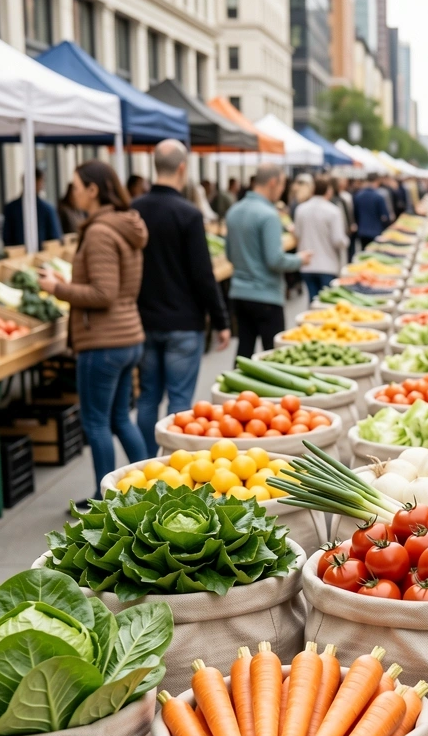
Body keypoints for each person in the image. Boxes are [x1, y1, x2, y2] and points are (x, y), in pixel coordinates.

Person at [36, 161, 148, 500]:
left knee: (97, 423)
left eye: (76, 185)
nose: (73, 192)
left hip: (103, 341)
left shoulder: (100, 232)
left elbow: (103, 293)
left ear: (93, 189)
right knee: (118, 419)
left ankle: (107, 501)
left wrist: (57, 287)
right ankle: (152, 487)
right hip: (126, 334)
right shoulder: (123, 225)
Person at [131, 140, 231, 454]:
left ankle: (145, 461)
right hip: (184, 322)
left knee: (148, 397)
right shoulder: (188, 214)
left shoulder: (134, 211)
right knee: (179, 400)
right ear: (183, 169)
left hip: (145, 319)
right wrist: (221, 320)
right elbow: (203, 275)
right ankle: (173, 464)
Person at [225, 165, 311, 357]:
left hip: (239, 294)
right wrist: (299, 260)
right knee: (273, 357)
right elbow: (275, 260)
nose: (282, 190)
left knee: (243, 353)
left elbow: (230, 255)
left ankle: (237, 388)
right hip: (266, 296)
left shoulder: (234, 211)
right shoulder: (269, 215)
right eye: (281, 185)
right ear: (272, 182)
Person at [294, 175, 349, 299]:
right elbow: (338, 239)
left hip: (307, 264)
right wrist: (346, 242)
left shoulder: (300, 209)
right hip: (327, 265)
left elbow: (297, 234)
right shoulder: (333, 211)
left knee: (313, 300)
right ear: (328, 191)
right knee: (326, 303)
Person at [2, 167, 63, 250]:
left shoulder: (11, 208)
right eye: (41, 181)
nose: (42, 185)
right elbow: (55, 237)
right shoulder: (47, 209)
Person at [353, 176, 391, 244]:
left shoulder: (358, 196)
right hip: (376, 230)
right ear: (376, 182)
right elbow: (385, 216)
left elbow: (355, 214)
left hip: (362, 231)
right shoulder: (378, 197)